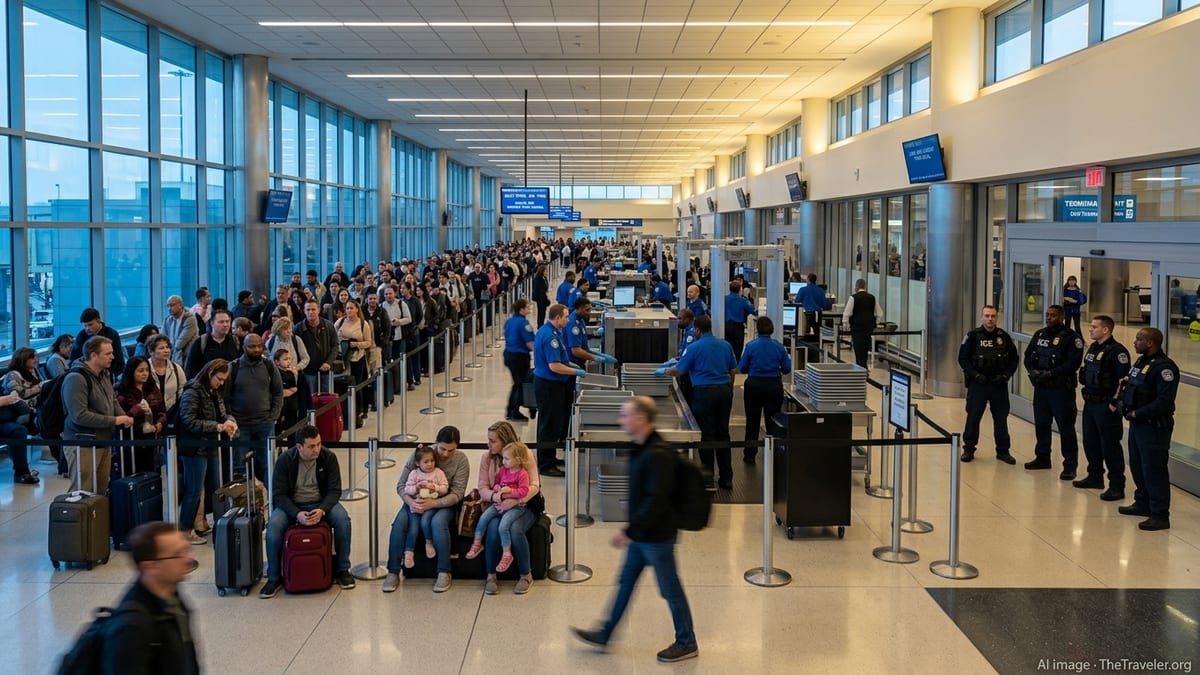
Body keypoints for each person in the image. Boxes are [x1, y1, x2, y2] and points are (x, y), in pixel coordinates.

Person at [571, 396, 698, 663]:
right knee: (626, 582)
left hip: (657, 537)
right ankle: (605, 633)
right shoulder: (640, 446)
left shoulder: (657, 454)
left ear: (640, 419)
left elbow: (656, 500)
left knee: (670, 589)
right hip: (642, 534)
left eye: (625, 415)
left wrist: (628, 531)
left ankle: (687, 641)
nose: (621, 420)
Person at [261, 424, 357, 597]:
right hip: (293, 505)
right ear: (299, 447)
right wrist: (296, 513)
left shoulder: (328, 457)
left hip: (321, 503)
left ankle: (343, 569)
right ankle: (274, 577)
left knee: (343, 519)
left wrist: (322, 510)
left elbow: (335, 490)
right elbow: (278, 495)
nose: (317, 449)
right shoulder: (285, 460)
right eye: (311, 446)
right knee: (274, 525)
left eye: (319, 444)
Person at [100, 521, 200, 675]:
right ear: (150, 567)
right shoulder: (131, 630)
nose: (188, 559)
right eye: (178, 554)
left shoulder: (172, 597)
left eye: (186, 550)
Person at [382, 426, 470, 594]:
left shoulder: (461, 460)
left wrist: (434, 503)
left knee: (438, 523)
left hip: (444, 504)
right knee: (400, 523)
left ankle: (444, 570)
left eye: (451, 450)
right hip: (415, 500)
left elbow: (457, 493)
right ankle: (393, 571)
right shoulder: (421, 453)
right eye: (442, 449)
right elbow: (401, 485)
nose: (445, 454)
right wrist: (410, 502)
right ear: (436, 443)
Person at [657, 315, 737, 490]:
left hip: (704, 393)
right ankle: (726, 478)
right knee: (723, 433)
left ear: (698, 330)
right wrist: (729, 388)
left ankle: (708, 478)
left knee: (706, 434)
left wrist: (665, 371)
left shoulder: (694, 347)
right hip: (724, 392)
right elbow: (733, 369)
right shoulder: (726, 345)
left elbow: (680, 370)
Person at [1115, 327, 1179, 531]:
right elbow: (1130, 387)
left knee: (1154, 469)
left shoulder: (1165, 368)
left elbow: (1164, 401)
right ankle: (1142, 503)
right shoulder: (1141, 362)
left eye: (1139, 339)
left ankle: (1159, 514)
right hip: (1137, 425)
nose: (1134, 342)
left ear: (1150, 343)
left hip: (1153, 427)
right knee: (1137, 465)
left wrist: (1137, 413)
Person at [64, 336, 135, 495]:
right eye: (108, 353)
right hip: (82, 442)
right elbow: (79, 415)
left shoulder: (104, 375)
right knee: (82, 491)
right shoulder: (76, 378)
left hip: (103, 439)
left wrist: (123, 417)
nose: (113, 356)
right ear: (93, 355)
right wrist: (115, 420)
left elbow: (112, 400)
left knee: (100, 489)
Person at [178, 359, 238, 545]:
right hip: (194, 448)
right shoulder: (192, 392)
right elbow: (188, 421)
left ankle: (202, 523)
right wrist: (218, 426)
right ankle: (185, 531)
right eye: (219, 379)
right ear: (210, 374)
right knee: (194, 490)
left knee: (214, 487)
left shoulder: (214, 391)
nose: (221, 383)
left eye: (224, 379)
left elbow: (223, 413)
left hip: (210, 445)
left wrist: (230, 421)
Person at [478, 421, 541, 596]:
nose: (489, 444)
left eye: (493, 441)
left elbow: (535, 485)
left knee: (515, 529)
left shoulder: (523, 453)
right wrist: (496, 497)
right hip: (498, 505)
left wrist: (516, 500)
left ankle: (526, 575)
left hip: (525, 505)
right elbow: (482, 488)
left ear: (504, 441)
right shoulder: (487, 458)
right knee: (493, 528)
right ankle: (491, 575)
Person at [1023, 305, 1085, 479]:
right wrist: (1032, 371)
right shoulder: (1040, 334)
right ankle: (1042, 458)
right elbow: (1028, 356)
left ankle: (1070, 465)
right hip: (1041, 388)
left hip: (1061, 389)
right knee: (1042, 424)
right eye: (1047, 315)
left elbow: (1073, 363)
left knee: (1065, 428)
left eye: (1053, 315)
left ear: (1062, 317)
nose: (1049, 318)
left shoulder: (1072, 338)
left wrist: (1051, 373)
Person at [1075, 315, 1130, 500]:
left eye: (1094, 327)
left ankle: (1117, 485)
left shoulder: (1117, 352)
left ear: (1105, 330)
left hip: (1106, 406)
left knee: (1110, 446)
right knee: (1090, 442)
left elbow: (1124, 382)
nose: (1090, 329)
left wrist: (1114, 403)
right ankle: (1095, 476)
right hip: (1090, 403)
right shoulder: (1093, 348)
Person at [957, 305, 1019, 464]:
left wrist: (1005, 376)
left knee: (1001, 419)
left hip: (998, 384)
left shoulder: (1003, 337)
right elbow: (962, 358)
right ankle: (969, 449)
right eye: (987, 316)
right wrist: (975, 375)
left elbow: (1014, 359)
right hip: (978, 384)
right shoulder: (972, 336)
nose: (990, 319)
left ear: (996, 318)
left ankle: (1003, 451)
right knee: (973, 417)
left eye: (993, 316)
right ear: (981, 317)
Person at [533, 304, 586, 478]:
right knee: (548, 425)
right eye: (565, 317)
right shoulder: (550, 337)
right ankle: (545, 464)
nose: (568, 320)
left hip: (551, 384)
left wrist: (572, 365)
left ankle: (550, 456)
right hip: (548, 385)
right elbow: (555, 366)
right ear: (557, 318)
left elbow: (561, 359)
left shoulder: (553, 332)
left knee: (551, 423)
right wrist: (575, 372)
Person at [466, 441, 531, 573]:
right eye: (503, 458)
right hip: (499, 503)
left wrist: (509, 492)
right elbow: (496, 484)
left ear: (518, 459)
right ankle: (477, 543)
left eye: (507, 459)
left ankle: (507, 553)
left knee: (503, 526)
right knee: (484, 518)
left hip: (515, 507)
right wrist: (497, 489)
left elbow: (524, 491)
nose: (503, 461)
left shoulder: (522, 474)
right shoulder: (503, 470)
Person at [226, 334, 283, 480]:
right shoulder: (233, 367)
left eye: (259, 346)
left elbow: (278, 392)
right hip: (240, 424)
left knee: (267, 464)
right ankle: (242, 493)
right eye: (252, 346)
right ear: (244, 347)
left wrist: (273, 416)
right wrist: (231, 417)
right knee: (239, 466)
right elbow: (225, 397)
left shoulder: (269, 366)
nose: (256, 349)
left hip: (265, 423)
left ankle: (269, 493)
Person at [738, 316, 790, 464]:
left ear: (757, 329)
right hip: (773, 386)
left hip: (754, 385)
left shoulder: (751, 346)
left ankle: (749, 455)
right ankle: (772, 455)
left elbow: (741, 367)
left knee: (752, 421)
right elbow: (786, 368)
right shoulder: (779, 347)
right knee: (772, 421)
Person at [399, 445, 450, 568]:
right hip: (416, 505)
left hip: (432, 506)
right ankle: (409, 551)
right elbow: (407, 489)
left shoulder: (438, 473)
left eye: (432, 461)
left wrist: (435, 487)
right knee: (413, 526)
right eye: (426, 461)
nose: (430, 464)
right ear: (417, 463)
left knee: (425, 521)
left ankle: (429, 542)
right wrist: (416, 488)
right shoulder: (414, 474)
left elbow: (445, 488)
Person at [115, 356, 167, 475]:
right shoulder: (122, 390)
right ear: (131, 371)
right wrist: (136, 410)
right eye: (140, 370)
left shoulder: (152, 388)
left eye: (147, 370)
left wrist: (160, 422)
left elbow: (162, 410)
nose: (145, 373)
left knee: (152, 473)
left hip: (152, 439)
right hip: (131, 441)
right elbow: (120, 418)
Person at [503, 299, 536, 422]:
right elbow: (530, 343)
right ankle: (514, 411)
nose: (529, 309)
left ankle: (511, 409)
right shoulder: (524, 323)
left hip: (509, 354)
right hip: (519, 357)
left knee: (517, 382)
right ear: (521, 309)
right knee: (520, 384)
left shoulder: (509, 321)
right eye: (527, 307)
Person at [296, 299, 338, 396]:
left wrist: (328, 362)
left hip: (326, 370)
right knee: (310, 398)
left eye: (313, 309)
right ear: (304, 311)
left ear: (318, 310)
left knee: (327, 399)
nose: (310, 312)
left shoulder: (329, 326)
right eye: (308, 310)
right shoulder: (298, 328)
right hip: (308, 371)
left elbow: (335, 346)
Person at [184, 309, 241, 380]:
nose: (225, 325)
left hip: (230, 383)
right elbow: (191, 369)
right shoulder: (201, 342)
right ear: (212, 323)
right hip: (206, 384)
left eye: (227, 321)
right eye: (221, 322)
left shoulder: (235, 341)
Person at [70, 308, 126, 378]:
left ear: (98, 321)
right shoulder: (82, 335)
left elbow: (118, 358)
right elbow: (74, 357)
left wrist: (113, 376)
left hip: (108, 374)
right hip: (86, 374)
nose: (87, 328)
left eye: (90, 325)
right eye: (85, 326)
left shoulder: (111, 334)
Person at [841, 279, 882, 369]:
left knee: (858, 350)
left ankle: (861, 369)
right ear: (864, 286)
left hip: (857, 328)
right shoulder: (872, 297)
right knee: (865, 349)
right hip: (868, 328)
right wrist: (875, 323)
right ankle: (864, 367)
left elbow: (847, 313)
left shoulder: (853, 298)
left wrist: (846, 325)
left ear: (857, 286)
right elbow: (879, 313)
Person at [723, 280, 758, 361]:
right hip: (737, 327)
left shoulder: (724, 299)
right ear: (740, 289)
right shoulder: (743, 300)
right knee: (737, 350)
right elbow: (753, 311)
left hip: (726, 326)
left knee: (726, 348)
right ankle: (736, 365)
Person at [273, 348, 302, 435]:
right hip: (281, 407)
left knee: (292, 428)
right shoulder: (276, 373)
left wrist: (295, 375)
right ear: (277, 362)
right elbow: (281, 392)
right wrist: (290, 391)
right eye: (285, 359)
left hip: (292, 407)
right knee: (278, 429)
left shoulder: (291, 372)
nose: (289, 361)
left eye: (289, 359)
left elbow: (296, 388)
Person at [163, 297, 198, 366]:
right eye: (168, 306)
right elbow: (163, 337)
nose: (169, 308)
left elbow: (180, 343)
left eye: (172, 305)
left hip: (187, 356)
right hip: (171, 353)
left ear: (181, 305)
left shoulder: (190, 319)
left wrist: (168, 348)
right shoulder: (168, 320)